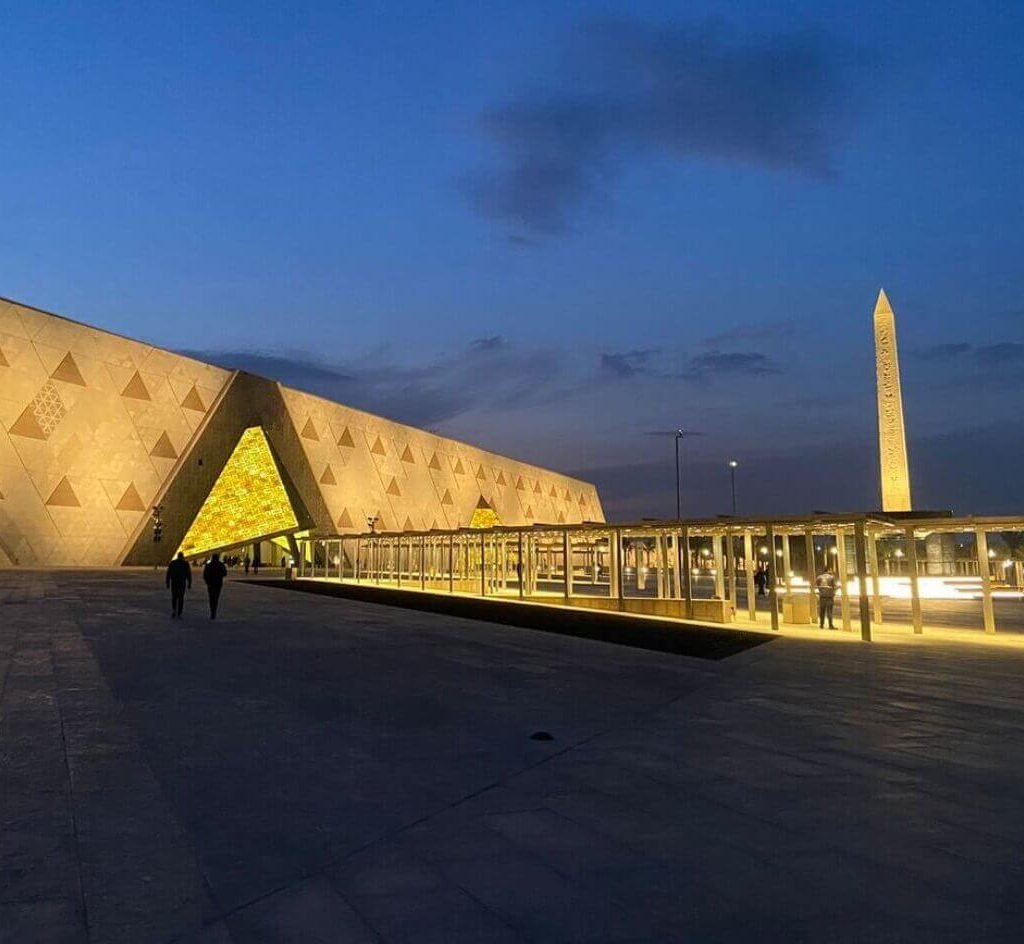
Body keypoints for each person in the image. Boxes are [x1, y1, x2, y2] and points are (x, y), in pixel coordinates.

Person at [165, 552, 192, 618]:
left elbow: (168, 574)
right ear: (182, 556)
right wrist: (189, 583)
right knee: (181, 598)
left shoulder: (173, 563)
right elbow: (188, 574)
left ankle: (174, 610)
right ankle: (179, 612)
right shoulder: (185, 564)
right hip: (182, 583)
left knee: (174, 597)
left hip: (174, 583)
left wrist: (167, 583)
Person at [203, 552, 228, 619]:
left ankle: (212, 610)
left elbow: (205, 575)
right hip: (218, 583)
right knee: (216, 597)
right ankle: (214, 610)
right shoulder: (221, 565)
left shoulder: (208, 565)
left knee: (211, 597)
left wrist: (207, 581)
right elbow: (225, 573)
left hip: (210, 584)